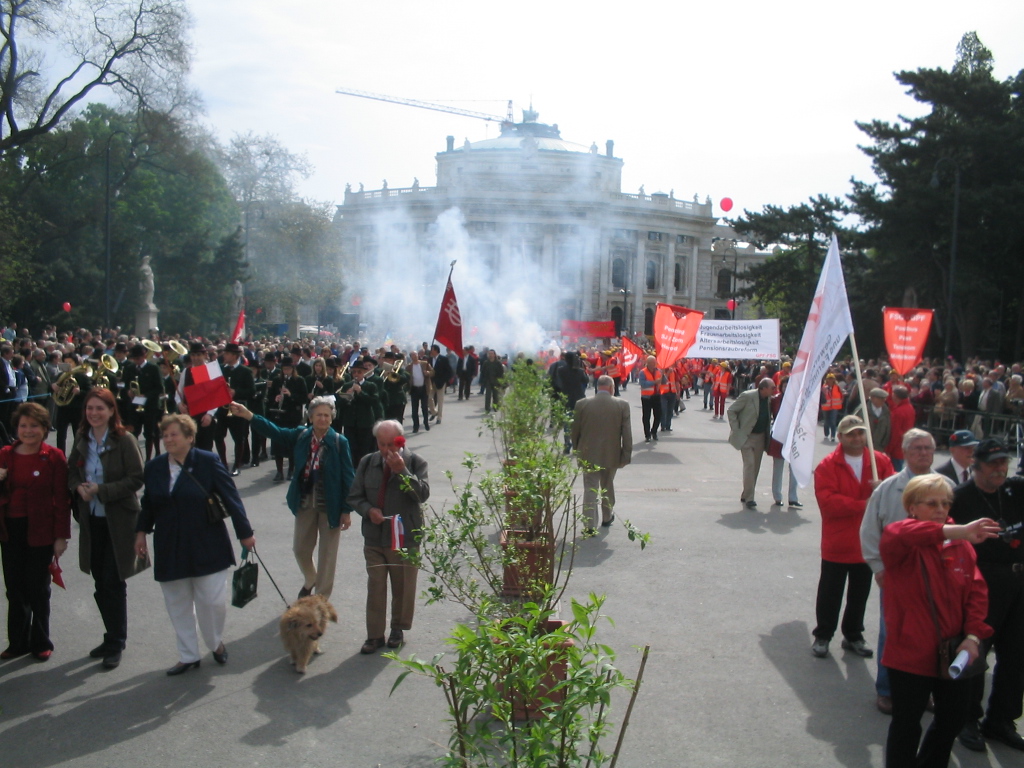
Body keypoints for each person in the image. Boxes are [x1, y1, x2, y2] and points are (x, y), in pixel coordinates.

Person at [881, 474, 996, 767]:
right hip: (910, 652)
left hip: (954, 651)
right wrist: (959, 531)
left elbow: (977, 592)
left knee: (953, 720)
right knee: (907, 725)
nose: (941, 509)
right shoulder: (899, 537)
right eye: (931, 503)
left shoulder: (961, 545)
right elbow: (908, 533)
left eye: (945, 503)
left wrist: (972, 637)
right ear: (911, 507)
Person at [134, 414, 255, 675]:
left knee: (212, 601)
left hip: (206, 542)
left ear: (190, 437)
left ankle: (215, 643)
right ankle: (188, 655)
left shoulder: (207, 461)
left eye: (174, 435)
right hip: (169, 544)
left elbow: (231, 497)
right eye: (165, 435)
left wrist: (245, 533)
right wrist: (141, 532)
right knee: (177, 603)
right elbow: (149, 504)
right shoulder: (154, 467)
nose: (168, 440)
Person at [860, 429, 951, 714]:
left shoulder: (947, 487)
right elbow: (870, 531)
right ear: (905, 452)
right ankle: (887, 689)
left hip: (938, 576)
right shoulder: (887, 489)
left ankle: (923, 690)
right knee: (892, 633)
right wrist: (878, 568)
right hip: (897, 576)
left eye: (928, 448)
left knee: (932, 634)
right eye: (917, 448)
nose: (923, 453)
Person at [229, 397, 354, 599]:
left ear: (332, 418)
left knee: (327, 555)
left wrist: (346, 510)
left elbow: (349, 477)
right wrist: (249, 416)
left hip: (331, 504)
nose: (323, 419)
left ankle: (321, 600)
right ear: (310, 417)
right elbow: (276, 432)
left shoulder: (339, 442)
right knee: (300, 549)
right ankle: (311, 578)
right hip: (305, 500)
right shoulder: (301, 435)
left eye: (327, 415)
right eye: (319, 415)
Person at [950, 438, 1024, 751]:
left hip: (1018, 581)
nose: (1000, 469)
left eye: (1003, 462)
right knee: (975, 653)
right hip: (980, 583)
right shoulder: (959, 497)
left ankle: (1001, 721)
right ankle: (967, 719)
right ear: (975, 465)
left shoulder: (1016, 489)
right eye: (993, 463)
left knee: (1016, 655)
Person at [67, 388, 146, 669]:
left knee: (113, 581)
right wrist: (77, 487)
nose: (94, 413)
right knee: (100, 582)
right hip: (92, 521)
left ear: (112, 411)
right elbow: (72, 472)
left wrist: (102, 490)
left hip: (120, 521)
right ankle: (111, 634)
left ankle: (116, 641)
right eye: (90, 408)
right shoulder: (82, 438)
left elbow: (136, 478)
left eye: (100, 408)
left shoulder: (124, 440)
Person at [811, 414, 894, 658]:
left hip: (867, 542)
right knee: (830, 593)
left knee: (860, 594)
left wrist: (882, 489)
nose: (857, 438)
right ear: (840, 437)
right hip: (838, 541)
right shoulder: (827, 466)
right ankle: (823, 634)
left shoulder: (880, 461)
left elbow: (894, 493)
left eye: (860, 433)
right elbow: (828, 503)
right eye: (851, 434)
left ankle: (854, 634)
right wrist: (864, 504)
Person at [347, 420, 429, 654]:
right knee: (376, 586)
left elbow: (422, 495)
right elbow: (355, 496)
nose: (386, 450)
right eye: (381, 444)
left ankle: (397, 628)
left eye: (391, 444)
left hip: (404, 537)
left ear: (401, 441)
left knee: (402, 585)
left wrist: (402, 471)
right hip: (375, 536)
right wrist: (368, 510)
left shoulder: (416, 462)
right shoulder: (367, 462)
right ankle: (374, 635)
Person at [0, 403, 71, 661]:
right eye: (23, 426)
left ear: (44, 428)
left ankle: (41, 641)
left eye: (34, 426)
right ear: (16, 428)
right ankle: (18, 641)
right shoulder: (5, 454)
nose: (28, 431)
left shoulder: (54, 456)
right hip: (10, 530)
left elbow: (62, 499)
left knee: (38, 588)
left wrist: (61, 536)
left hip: (41, 529)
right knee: (14, 588)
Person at [570, 375, 633, 531]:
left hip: (588, 453)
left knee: (590, 488)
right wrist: (626, 454)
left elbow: (575, 431)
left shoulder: (582, 404)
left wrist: (577, 449)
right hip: (611, 454)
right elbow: (626, 433)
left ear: (597, 387)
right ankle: (607, 516)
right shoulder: (622, 405)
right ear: (612, 388)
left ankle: (589, 524)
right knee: (607, 485)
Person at [727, 378, 778, 509]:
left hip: (760, 437)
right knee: (749, 465)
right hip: (747, 437)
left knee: (755, 468)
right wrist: (736, 429)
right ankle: (750, 498)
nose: (774, 390)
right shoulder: (747, 396)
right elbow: (731, 410)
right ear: (763, 388)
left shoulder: (769, 399)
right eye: (772, 387)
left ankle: (746, 493)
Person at [216, 342, 256, 476]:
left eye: (227, 354)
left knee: (239, 438)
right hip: (222, 409)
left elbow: (251, 391)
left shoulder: (245, 371)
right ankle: (223, 463)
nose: (224, 356)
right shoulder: (220, 369)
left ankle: (237, 465)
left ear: (234, 356)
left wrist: (236, 392)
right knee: (218, 436)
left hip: (238, 409)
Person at [267, 355, 308, 482]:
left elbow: (304, 398)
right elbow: (269, 397)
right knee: (277, 444)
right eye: (284, 369)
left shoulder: (299, 380)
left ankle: (291, 469)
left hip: (292, 416)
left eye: (288, 369)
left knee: (291, 444)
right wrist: (275, 398)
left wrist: (291, 395)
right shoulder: (277, 380)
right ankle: (279, 471)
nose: (286, 371)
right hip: (279, 416)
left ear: (293, 369)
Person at [767, 376, 800, 508]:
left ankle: (793, 497)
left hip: (794, 437)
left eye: (790, 386)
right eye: (785, 386)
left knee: (795, 469)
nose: (787, 388)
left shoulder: (798, 400)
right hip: (779, 437)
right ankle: (777, 496)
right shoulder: (775, 400)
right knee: (778, 469)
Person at [638, 356, 666, 443]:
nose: (653, 365)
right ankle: (647, 435)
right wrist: (654, 382)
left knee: (658, 415)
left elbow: (664, 382)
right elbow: (643, 383)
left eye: (654, 363)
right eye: (652, 363)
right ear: (648, 363)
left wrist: (664, 375)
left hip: (656, 396)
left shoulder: (659, 371)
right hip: (646, 397)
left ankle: (654, 431)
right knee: (646, 416)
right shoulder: (643, 372)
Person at [887, 385, 915, 471]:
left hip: (896, 448)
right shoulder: (910, 407)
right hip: (904, 444)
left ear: (896, 396)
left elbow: (895, 433)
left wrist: (888, 450)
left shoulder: (898, 412)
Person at [427, 344, 452, 425]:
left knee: (440, 400)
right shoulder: (430, 359)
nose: (431, 351)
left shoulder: (443, 359)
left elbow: (449, 372)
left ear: (436, 350)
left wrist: (444, 380)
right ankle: (434, 412)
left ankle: (439, 417)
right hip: (432, 382)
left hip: (440, 383)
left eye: (432, 349)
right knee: (429, 398)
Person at [479, 349, 504, 414]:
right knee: (488, 396)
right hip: (488, 382)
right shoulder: (486, 363)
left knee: (496, 396)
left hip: (496, 382)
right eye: (489, 354)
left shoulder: (498, 363)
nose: (490, 355)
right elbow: (482, 372)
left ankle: (495, 408)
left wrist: (501, 381)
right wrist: (481, 381)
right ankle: (487, 408)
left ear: (494, 355)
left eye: (492, 354)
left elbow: (501, 373)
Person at [821, 373, 844, 442]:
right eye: (829, 378)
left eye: (832, 378)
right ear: (827, 379)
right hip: (826, 406)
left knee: (833, 421)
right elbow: (821, 396)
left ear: (834, 379)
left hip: (834, 407)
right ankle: (826, 434)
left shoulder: (837, 387)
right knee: (826, 421)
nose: (830, 380)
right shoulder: (824, 387)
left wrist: (841, 402)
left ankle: (833, 436)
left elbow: (841, 395)